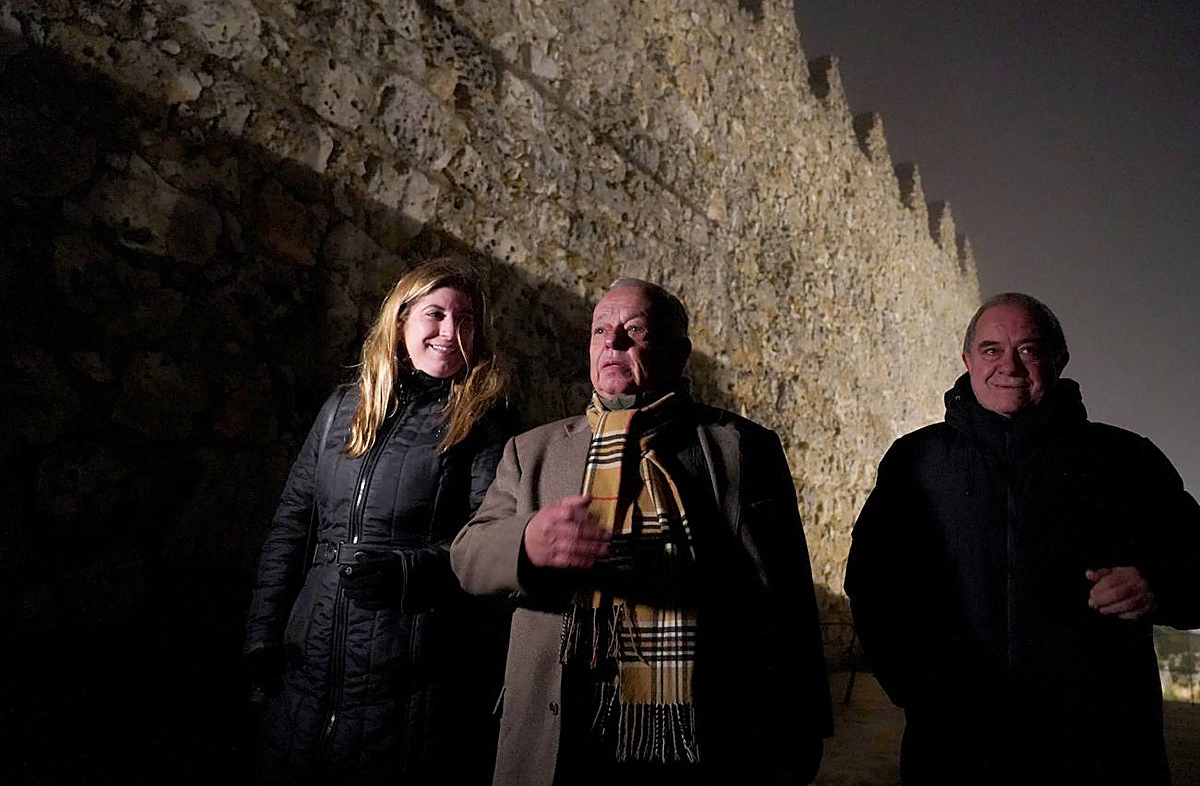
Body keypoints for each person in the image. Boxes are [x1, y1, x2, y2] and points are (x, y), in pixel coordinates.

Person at [450, 278, 833, 786]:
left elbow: (786, 598)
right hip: (558, 731)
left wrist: (804, 728)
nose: (613, 343)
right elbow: (466, 557)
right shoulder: (534, 451)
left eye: (635, 330)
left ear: (678, 351)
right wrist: (526, 543)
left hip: (691, 734)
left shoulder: (739, 450)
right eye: (601, 331)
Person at [845, 292, 1200, 785]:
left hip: (1102, 752)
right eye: (991, 350)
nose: (1009, 365)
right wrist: (917, 688)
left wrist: (1156, 585)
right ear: (968, 360)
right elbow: (872, 582)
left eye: (1029, 349)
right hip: (955, 748)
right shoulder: (916, 462)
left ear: (1059, 360)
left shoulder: (1127, 461)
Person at [242, 257, 514, 785]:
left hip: (407, 672)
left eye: (465, 321)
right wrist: (261, 637)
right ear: (401, 321)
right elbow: (292, 528)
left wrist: (412, 572)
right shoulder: (343, 409)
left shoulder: (484, 423)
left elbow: (486, 537)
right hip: (308, 661)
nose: (449, 332)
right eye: (434, 314)